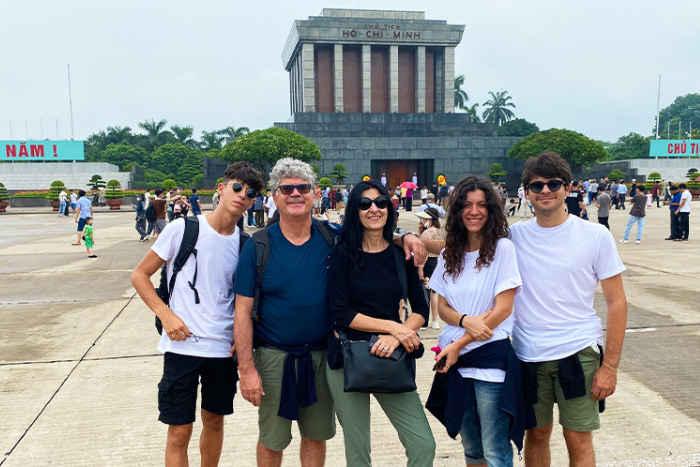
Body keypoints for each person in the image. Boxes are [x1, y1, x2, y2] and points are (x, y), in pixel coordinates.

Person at [233, 159, 426, 467]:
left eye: (303, 188)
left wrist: (406, 236)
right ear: (274, 195)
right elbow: (241, 313)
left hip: (324, 355)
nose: (295, 194)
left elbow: (372, 230)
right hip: (273, 357)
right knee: (272, 438)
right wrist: (246, 370)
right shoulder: (258, 245)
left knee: (316, 435)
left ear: (315, 194)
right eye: (287, 189)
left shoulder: (332, 236)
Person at [130, 162, 264, 467]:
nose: (243, 195)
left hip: (221, 349)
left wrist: (243, 338)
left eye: (251, 192)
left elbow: (246, 300)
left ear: (254, 201)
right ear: (221, 188)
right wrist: (165, 314)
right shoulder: (183, 229)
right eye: (238, 187)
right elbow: (140, 275)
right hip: (181, 346)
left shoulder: (246, 245)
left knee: (215, 423)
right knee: (179, 432)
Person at [511, 151, 628, 467]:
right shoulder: (512, 237)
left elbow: (617, 302)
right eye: (537, 186)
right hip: (528, 354)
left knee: (577, 438)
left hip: (578, 353)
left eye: (553, 183)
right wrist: (406, 238)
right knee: (535, 435)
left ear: (568, 187)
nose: (545, 191)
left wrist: (611, 366)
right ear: (526, 192)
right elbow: (460, 246)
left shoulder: (595, 236)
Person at [327, 179, 435, 467]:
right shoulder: (342, 253)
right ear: (355, 211)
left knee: (423, 444)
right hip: (349, 355)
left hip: (392, 355)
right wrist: (393, 328)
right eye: (365, 204)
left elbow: (421, 308)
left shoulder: (402, 253)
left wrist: (397, 336)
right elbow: (342, 313)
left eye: (381, 202)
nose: (374, 209)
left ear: (390, 207)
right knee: (358, 451)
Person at [428, 175, 524, 467]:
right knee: (471, 446)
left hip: (489, 355)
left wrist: (461, 342)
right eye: (467, 205)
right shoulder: (448, 254)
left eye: (482, 205)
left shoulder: (502, 249)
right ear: (457, 210)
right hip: (455, 358)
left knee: (495, 447)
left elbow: (503, 309)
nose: (474, 211)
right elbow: (442, 306)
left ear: (491, 210)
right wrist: (466, 320)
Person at [417, 207, 442, 330]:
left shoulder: (427, 233)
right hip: (435, 262)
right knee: (434, 292)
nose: (422, 220)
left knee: (425, 292)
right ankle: (435, 320)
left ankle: (425, 321)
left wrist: (420, 267)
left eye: (424, 218)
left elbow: (423, 250)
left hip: (427, 262)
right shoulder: (437, 230)